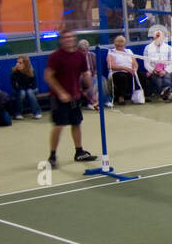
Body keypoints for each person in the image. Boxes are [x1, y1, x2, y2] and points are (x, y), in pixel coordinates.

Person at [42, 29, 97, 168]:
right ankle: (52, 156)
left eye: (71, 37)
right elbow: (48, 76)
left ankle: (79, 152)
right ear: (61, 40)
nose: (68, 39)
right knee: (59, 126)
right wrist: (61, 92)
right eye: (65, 37)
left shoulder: (79, 55)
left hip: (75, 97)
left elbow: (85, 74)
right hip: (58, 98)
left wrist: (92, 93)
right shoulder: (55, 56)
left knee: (76, 123)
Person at [143, 26, 172, 102]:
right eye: (156, 37)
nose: (158, 39)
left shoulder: (169, 48)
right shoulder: (147, 48)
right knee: (158, 80)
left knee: (167, 78)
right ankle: (168, 95)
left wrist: (165, 71)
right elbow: (146, 63)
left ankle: (164, 96)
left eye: (160, 37)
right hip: (154, 71)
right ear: (154, 37)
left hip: (166, 70)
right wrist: (153, 70)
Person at [106, 35, 141, 105]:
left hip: (130, 71)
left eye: (122, 46)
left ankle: (141, 96)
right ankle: (121, 98)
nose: (120, 48)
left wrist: (134, 70)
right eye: (118, 46)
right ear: (115, 45)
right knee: (123, 77)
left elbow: (135, 63)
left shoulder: (129, 51)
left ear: (124, 45)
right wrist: (125, 68)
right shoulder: (111, 52)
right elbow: (111, 66)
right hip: (117, 72)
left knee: (141, 75)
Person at [79, 38, 109, 109]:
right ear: (79, 50)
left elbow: (96, 68)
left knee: (102, 79)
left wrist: (95, 74)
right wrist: (85, 75)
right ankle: (91, 103)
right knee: (93, 81)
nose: (85, 51)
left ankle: (106, 100)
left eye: (86, 49)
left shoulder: (92, 55)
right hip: (82, 77)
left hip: (92, 75)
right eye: (83, 50)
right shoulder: (77, 57)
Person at [9, 55, 41, 120]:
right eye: (17, 62)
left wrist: (25, 88)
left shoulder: (31, 71)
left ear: (25, 64)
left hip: (32, 89)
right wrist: (24, 88)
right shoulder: (14, 72)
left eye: (20, 63)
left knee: (29, 92)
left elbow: (34, 85)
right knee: (22, 93)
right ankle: (18, 113)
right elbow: (15, 87)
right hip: (19, 91)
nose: (17, 64)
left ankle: (37, 113)